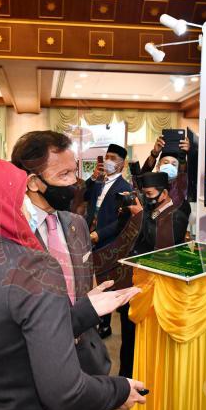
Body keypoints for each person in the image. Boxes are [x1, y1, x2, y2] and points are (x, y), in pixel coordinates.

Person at [0, 157, 145, 410]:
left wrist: (82, 312)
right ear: (2, 201)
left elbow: (7, 339)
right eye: (20, 195)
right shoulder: (34, 266)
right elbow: (65, 392)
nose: (26, 204)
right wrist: (118, 390)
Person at [12, 130, 118, 410]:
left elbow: (84, 276)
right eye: (64, 175)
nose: (75, 182)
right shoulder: (10, 230)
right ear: (33, 182)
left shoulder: (76, 223)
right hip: (34, 362)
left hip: (84, 356)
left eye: (75, 171)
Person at [117, 172, 190, 377]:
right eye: (144, 194)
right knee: (128, 336)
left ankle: (143, 378)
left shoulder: (177, 215)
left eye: (149, 194)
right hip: (134, 283)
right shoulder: (149, 211)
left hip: (155, 290)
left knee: (145, 339)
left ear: (164, 193)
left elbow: (160, 243)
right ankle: (125, 378)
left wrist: (140, 215)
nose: (146, 198)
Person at [84, 144, 132, 338]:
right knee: (89, 280)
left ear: (122, 164)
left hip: (107, 241)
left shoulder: (125, 188)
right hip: (88, 235)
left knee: (105, 282)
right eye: (107, 157)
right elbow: (84, 195)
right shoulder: (98, 181)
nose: (108, 161)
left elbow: (122, 221)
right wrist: (92, 178)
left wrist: (100, 234)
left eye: (113, 158)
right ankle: (90, 317)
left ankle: (104, 324)